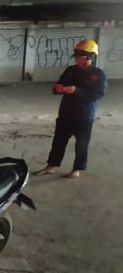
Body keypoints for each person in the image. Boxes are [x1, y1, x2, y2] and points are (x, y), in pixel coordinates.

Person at [35, 39, 107, 179]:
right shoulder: (70, 70)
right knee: (58, 142)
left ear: (90, 56)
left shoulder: (98, 75)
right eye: (76, 56)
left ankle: (77, 169)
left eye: (80, 57)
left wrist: (76, 90)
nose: (77, 60)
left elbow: (97, 95)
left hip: (84, 115)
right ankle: (51, 166)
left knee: (81, 144)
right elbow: (59, 85)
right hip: (66, 112)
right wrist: (58, 88)